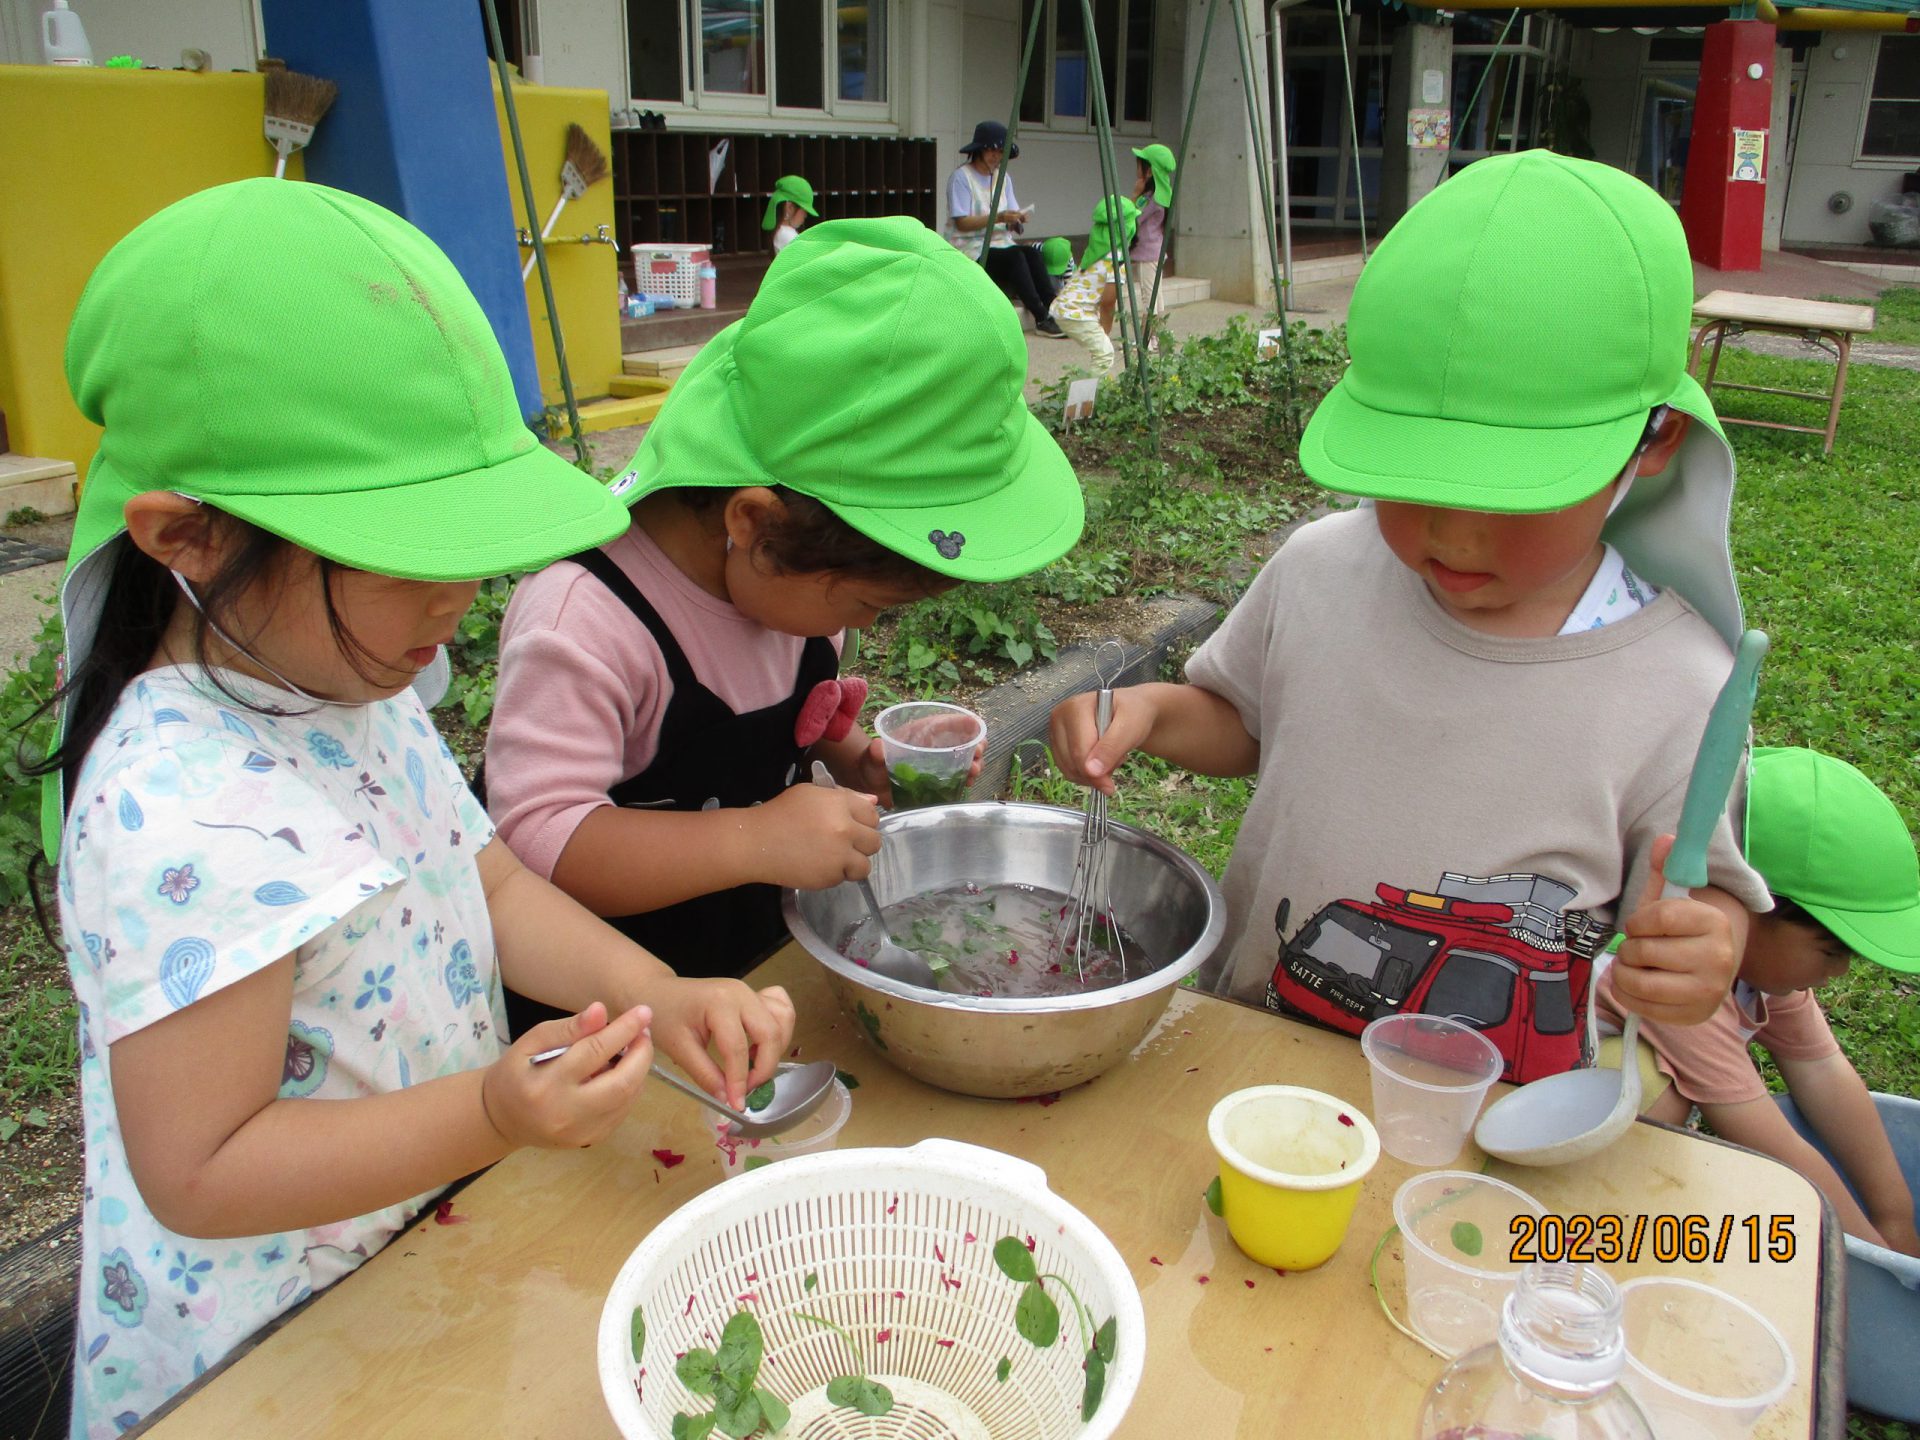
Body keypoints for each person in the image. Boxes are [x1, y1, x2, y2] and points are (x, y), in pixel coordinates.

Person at [40, 180, 796, 1439]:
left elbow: (484, 881)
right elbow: (201, 1170)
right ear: (189, 536)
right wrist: (488, 1112)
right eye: (410, 558)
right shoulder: (177, 810)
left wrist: (658, 995)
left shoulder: (343, 682)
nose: (460, 600)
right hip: (267, 1346)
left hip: (408, 1253)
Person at [1049, 150, 1771, 1084]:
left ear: (1656, 440)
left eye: (1515, 492)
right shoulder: (1322, 568)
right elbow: (1246, 721)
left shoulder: (1682, 688)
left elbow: (1703, 893)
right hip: (1254, 1057)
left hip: (1483, 1115)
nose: (1454, 534)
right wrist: (1148, 712)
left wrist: (1709, 946)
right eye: (1414, 479)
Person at [485, 216, 1086, 1031]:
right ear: (754, 523)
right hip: (610, 1018)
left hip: (755, 972)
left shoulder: (785, 580)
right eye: (866, 605)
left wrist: (856, 760)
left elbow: (777, 724)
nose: (862, 623)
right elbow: (536, 841)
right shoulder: (586, 623)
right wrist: (752, 840)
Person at [1595, 747, 1920, 1255]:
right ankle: (1587, 1213)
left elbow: (1823, 1071)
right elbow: (1769, 1140)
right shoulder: (1671, 976)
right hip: (1523, 1091)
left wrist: (1896, 1220)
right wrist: (1874, 1256)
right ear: (1748, 904)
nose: (1839, 971)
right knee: (1656, 1090)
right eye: (1830, 950)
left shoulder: (1762, 969)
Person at [945, 120, 1064, 337]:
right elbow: (962, 222)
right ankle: (1040, 316)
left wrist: (1016, 220)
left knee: (1032, 253)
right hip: (971, 248)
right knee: (1015, 257)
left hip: (1000, 242)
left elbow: (1011, 213)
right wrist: (998, 217)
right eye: (991, 150)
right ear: (979, 150)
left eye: (1000, 151)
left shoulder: (1003, 178)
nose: (996, 156)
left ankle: (1053, 307)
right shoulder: (961, 178)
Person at [1048, 196, 1138, 375]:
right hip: (1075, 312)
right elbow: (1108, 302)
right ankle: (1087, 392)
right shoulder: (1117, 259)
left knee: (1100, 352)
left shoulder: (1097, 251)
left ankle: (1087, 389)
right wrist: (1105, 331)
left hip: (1066, 307)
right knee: (1105, 355)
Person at [1130, 143, 1177, 347]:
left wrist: (1134, 194)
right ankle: (1157, 338)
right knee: (1156, 296)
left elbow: (1132, 218)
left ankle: (1147, 340)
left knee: (1148, 298)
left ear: (1149, 171)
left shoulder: (1150, 198)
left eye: (1139, 165)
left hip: (1148, 254)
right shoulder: (1161, 195)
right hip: (1155, 252)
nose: (1137, 169)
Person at [764, 173, 817, 253]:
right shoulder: (788, 236)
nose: (805, 215)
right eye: (804, 210)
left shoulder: (780, 232)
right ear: (789, 207)